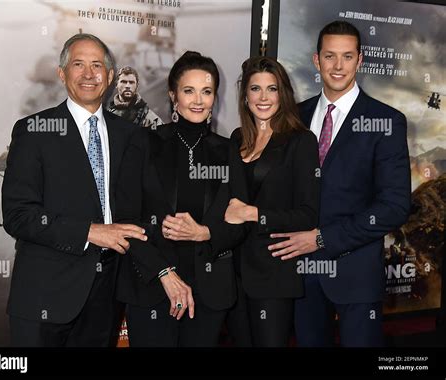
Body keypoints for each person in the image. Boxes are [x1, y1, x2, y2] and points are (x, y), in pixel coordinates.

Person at [268, 21, 411, 347]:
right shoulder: (293, 118)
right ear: (316, 60)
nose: (338, 66)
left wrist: (321, 239)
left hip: (356, 276)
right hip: (300, 276)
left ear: (360, 60)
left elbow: (394, 206)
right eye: (330, 56)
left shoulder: (386, 121)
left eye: (347, 57)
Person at [1, 33, 147, 347]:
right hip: (45, 295)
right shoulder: (33, 131)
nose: (88, 74)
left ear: (109, 76)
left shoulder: (130, 135)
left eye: (97, 66)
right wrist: (89, 232)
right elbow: (18, 215)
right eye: (78, 64)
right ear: (62, 73)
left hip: (106, 297)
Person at [115, 51, 245, 347]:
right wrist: (163, 272)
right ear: (173, 95)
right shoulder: (144, 142)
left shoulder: (228, 151)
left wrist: (206, 233)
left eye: (207, 91)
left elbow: (242, 223)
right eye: (189, 91)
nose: (198, 100)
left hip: (208, 292)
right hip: (152, 285)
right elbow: (125, 218)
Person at [224, 56, 320, 347]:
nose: (263, 97)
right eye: (255, 89)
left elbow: (307, 215)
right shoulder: (236, 138)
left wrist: (254, 214)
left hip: (274, 274)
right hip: (232, 273)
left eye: (272, 89)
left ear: (284, 94)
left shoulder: (301, 141)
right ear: (245, 96)